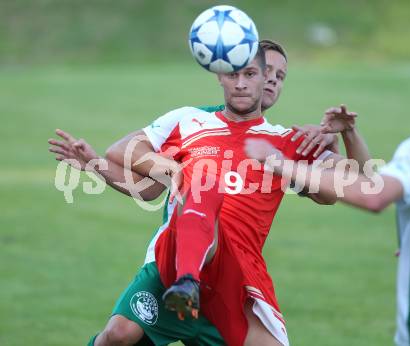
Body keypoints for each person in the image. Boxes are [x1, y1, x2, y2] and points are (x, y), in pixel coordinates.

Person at [49, 41, 368, 345]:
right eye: (235, 73)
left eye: (268, 75)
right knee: (117, 336)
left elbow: (362, 183)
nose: (247, 82)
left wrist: (348, 133)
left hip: (236, 279)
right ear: (220, 75)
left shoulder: (286, 142)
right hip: (172, 268)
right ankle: (186, 282)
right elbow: (133, 166)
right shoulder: (190, 121)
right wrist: (170, 172)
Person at [245, 50, 410, 346]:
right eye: (265, 70)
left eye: (279, 75)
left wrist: (279, 161)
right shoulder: (194, 123)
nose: (271, 79)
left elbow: (368, 189)